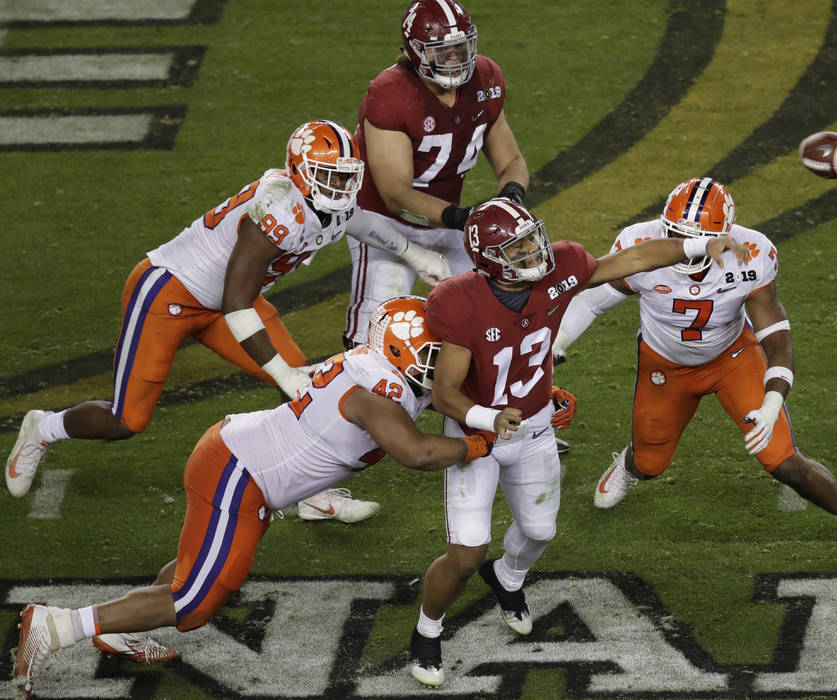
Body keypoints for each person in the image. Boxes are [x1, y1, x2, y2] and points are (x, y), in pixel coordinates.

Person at [12, 296, 497, 700]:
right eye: (434, 355)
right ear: (398, 351)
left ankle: (122, 628)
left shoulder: (381, 370)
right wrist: (484, 439)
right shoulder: (375, 392)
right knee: (194, 603)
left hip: (244, 464)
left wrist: (513, 404)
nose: (444, 366)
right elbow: (417, 453)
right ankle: (57, 626)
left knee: (198, 569)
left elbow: (444, 396)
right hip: (238, 473)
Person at [407, 196, 749, 687]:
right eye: (517, 247)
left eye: (532, 239)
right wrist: (489, 416)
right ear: (487, 258)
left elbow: (630, 261)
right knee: (465, 556)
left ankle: (507, 579)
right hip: (475, 436)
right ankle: (427, 630)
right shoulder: (459, 301)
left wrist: (697, 245)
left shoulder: (558, 270)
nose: (533, 252)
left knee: (540, 532)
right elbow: (444, 393)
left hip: (535, 427)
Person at [3, 119, 382, 528]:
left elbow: (359, 224)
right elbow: (236, 301)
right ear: (301, 173)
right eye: (329, 176)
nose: (339, 187)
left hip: (226, 302)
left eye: (344, 177)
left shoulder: (321, 206)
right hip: (170, 293)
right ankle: (43, 427)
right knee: (125, 420)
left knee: (302, 388)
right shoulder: (277, 210)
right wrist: (283, 373)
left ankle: (311, 494)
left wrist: (417, 253)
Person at [552, 177, 837, 567]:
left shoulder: (753, 251)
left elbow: (777, 337)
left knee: (781, 458)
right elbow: (591, 301)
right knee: (650, 463)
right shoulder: (639, 245)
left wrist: (773, 399)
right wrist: (556, 345)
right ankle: (628, 464)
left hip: (733, 358)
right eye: (674, 235)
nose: (683, 251)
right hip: (665, 364)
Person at [340, 0, 529, 351]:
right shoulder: (391, 92)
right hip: (384, 223)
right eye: (443, 52)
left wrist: (511, 197)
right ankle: (331, 399)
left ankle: (477, 401)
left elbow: (511, 161)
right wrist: (463, 217)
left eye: (460, 48)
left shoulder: (486, 77)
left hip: (446, 221)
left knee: (491, 319)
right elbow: (395, 194)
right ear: (415, 52)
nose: (456, 59)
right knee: (374, 334)